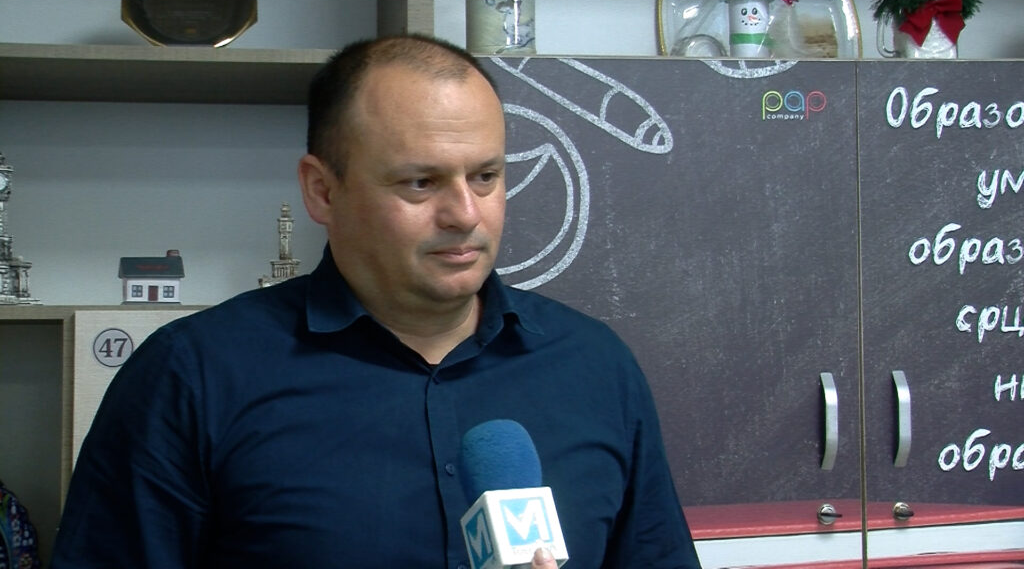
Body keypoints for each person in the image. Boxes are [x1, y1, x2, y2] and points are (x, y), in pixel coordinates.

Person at [50, 35, 702, 569]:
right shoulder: (190, 378)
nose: (465, 214)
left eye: (485, 176)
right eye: (420, 183)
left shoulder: (596, 368)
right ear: (322, 191)